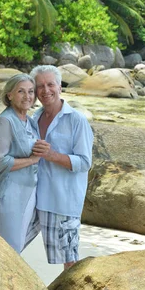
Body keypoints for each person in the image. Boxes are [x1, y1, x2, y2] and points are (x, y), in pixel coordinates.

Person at [29, 65, 94, 269]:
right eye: (40, 86)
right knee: (9, 244)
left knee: (69, 262)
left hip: (63, 201)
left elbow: (84, 162)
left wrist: (52, 155)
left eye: (50, 84)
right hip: (33, 198)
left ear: (60, 87)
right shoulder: (33, 119)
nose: (45, 90)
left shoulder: (77, 121)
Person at [0, 73, 40, 252]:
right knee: (9, 246)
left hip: (28, 188)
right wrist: (32, 160)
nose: (27, 96)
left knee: (18, 242)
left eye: (31, 91)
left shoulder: (30, 122)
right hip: (7, 189)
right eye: (21, 91)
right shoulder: (5, 121)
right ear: (9, 95)